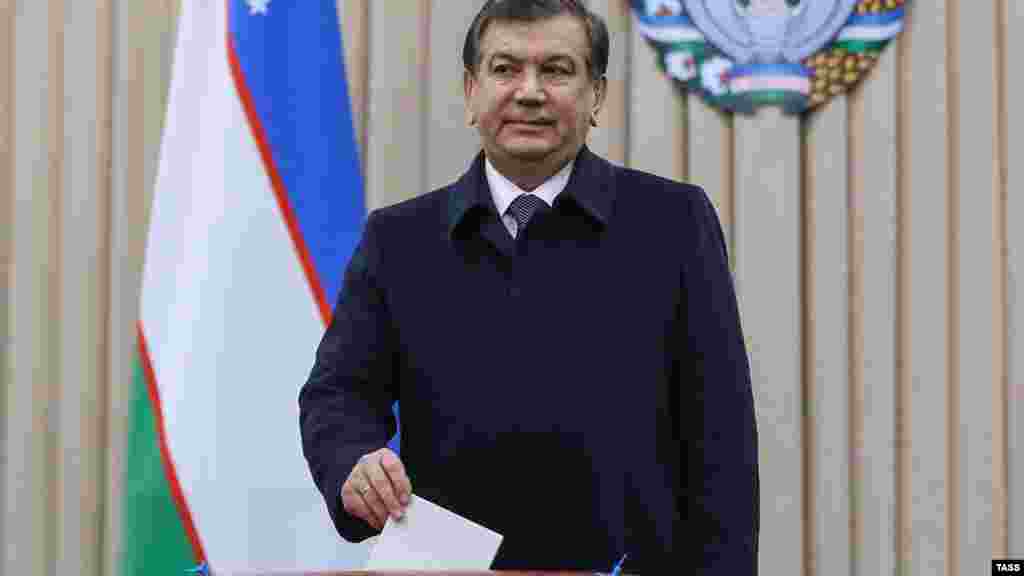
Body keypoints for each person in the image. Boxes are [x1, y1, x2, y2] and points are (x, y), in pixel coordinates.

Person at [298, 0, 759, 572]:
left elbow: (721, 437)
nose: (530, 91)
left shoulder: (672, 222)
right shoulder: (399, 239)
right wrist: (351, 461)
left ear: (597, 97)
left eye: (558, 70)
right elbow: (337, 394)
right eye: (505, 68)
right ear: (471, 91)